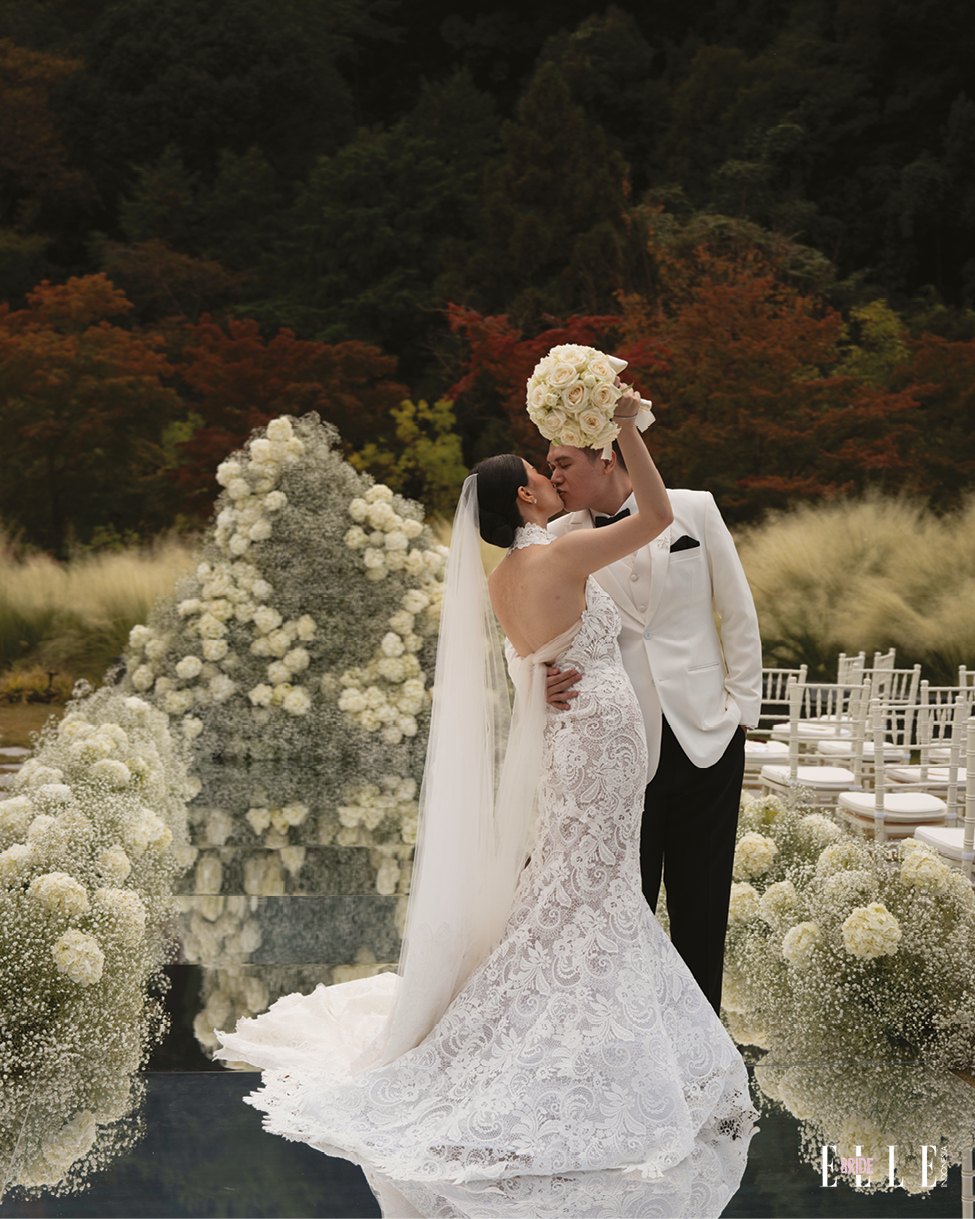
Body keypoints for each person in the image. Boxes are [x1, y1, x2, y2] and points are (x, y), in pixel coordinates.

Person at [215, 390, 756, 1215]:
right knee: (595, 889)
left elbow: (530, 654)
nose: (554, 478)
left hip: (576, 741)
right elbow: (653, 515)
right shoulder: (562, 554)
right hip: (604, 740)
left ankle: (573, 1027)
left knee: (578, 884)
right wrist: (624, 426)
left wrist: (541, 675)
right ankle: (592, 1043)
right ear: (526, 496)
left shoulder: (504, 577)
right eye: (543, 472)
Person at [543, 436, 763, 1013]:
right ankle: (631, 1036)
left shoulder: (694, 508)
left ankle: (704, 1043)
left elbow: (737, 609)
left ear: (606, 457)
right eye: (549, 467)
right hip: (616, 746)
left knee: (703, 903)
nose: (554, 477)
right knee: (626, 901)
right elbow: (532, 632)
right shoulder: (559, 538)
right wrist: (536, 681)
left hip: (707, 732)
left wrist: (743, 710)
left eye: (563, 463)